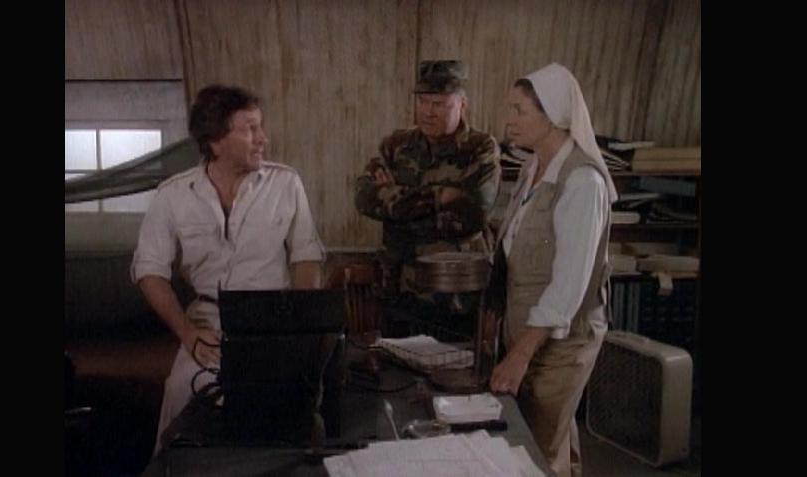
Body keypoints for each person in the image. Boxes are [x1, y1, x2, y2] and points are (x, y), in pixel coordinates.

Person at [130, 84, 326, 454]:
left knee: (293, 408)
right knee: (181, 392)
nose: (263, 139)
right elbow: (150, 271)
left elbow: (306, 256)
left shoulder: (285, 184)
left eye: (260, 127)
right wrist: (188, 333)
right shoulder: (173, 195)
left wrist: (296, 328)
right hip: (209, 324)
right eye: (250, 129)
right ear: (216, 141)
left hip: (273, 323)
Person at [488, 63, 618, 477]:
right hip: (528, 330)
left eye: (520, 110)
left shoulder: (582, 181)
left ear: (555, 115)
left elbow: (568, 285)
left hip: (561, 342)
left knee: (536, 451)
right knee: (553, 440)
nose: (509, 120)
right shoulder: (534, 167)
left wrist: (520, 354)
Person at [354, 60, 500, 337]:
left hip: (453, 293)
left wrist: (395, 204)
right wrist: (441, 196)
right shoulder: (396, 144)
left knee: (452, 360)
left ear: (462, 105)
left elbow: (472, 216)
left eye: (439, 104)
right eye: (422, 101)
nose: (427, 112)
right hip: (398, 286)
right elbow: (363, 197)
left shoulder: (479, 148)